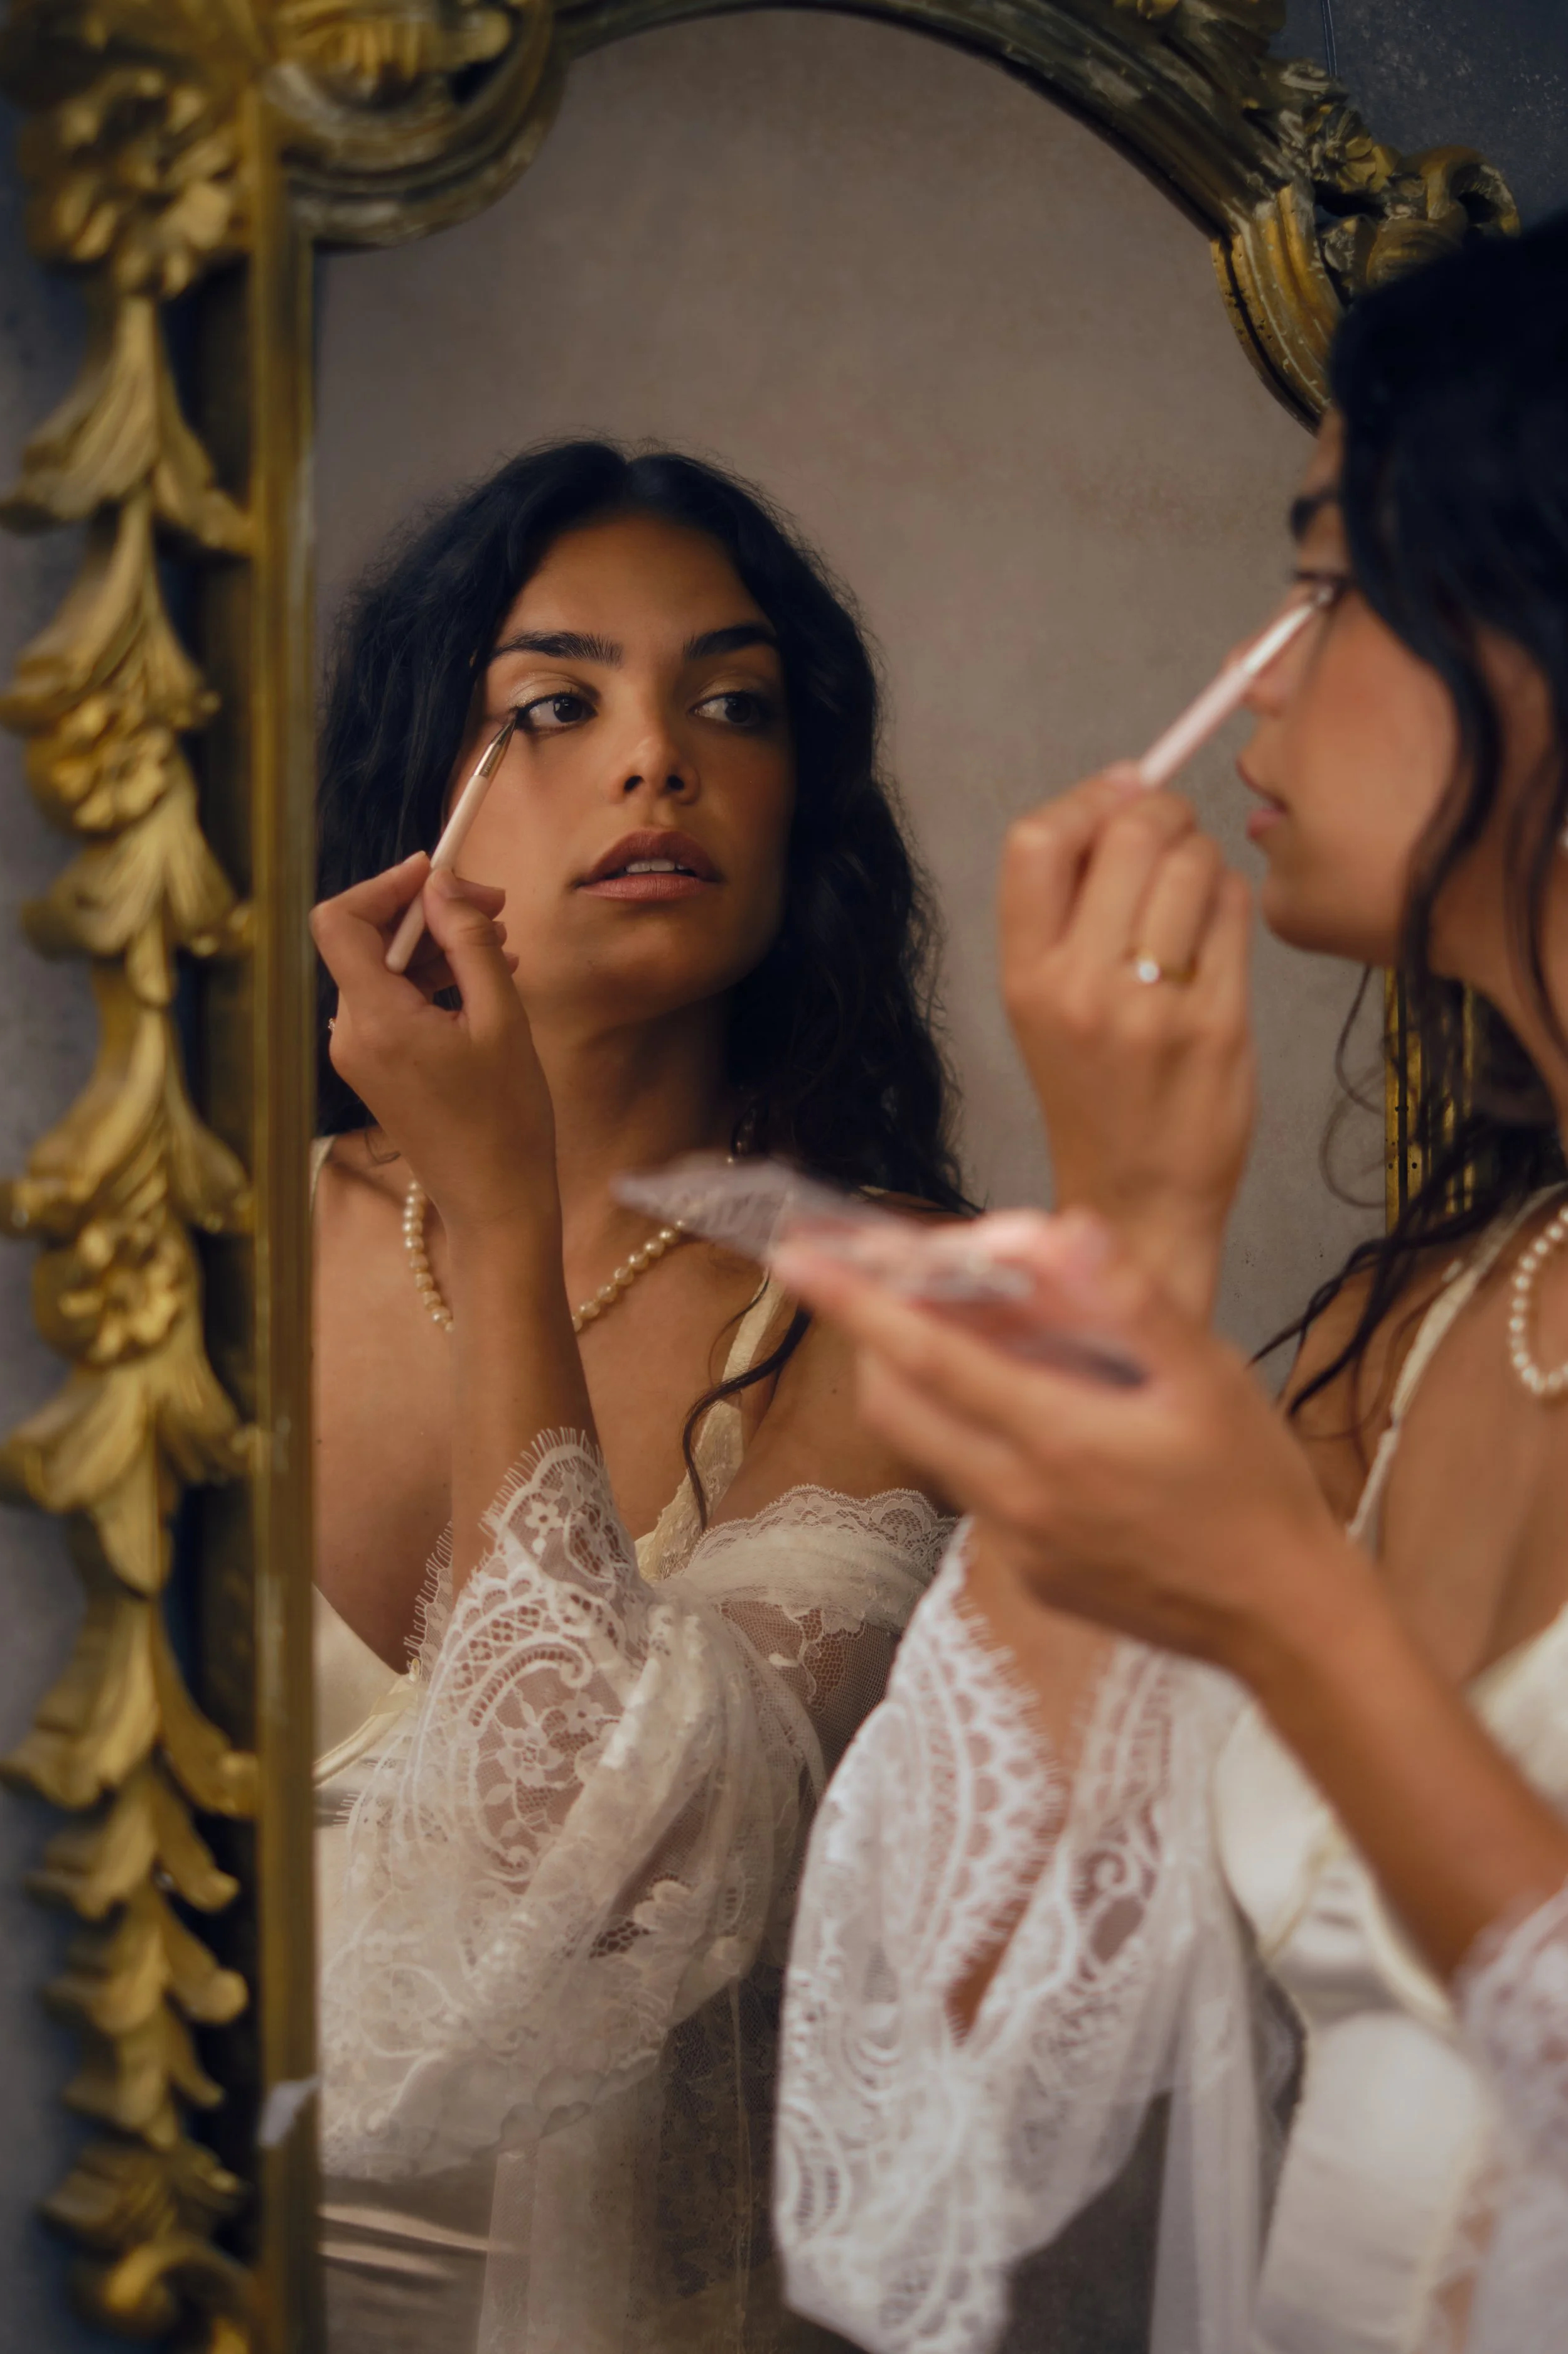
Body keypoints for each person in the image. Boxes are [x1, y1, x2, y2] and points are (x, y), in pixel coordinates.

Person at [769, 216, 1568, 2354]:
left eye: (1323, 578)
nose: (1271, 669)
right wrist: (1128, 1232)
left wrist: (1281, 1607)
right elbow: (921, 2135)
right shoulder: (1410, 1339)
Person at [307, 443, 964, 2354]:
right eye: (555, 704)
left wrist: (506, 1215)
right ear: (418, 794)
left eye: (731, 705)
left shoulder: (892, 1310)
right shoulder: (185, 1232)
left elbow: (587, 1869)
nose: (655, 758)